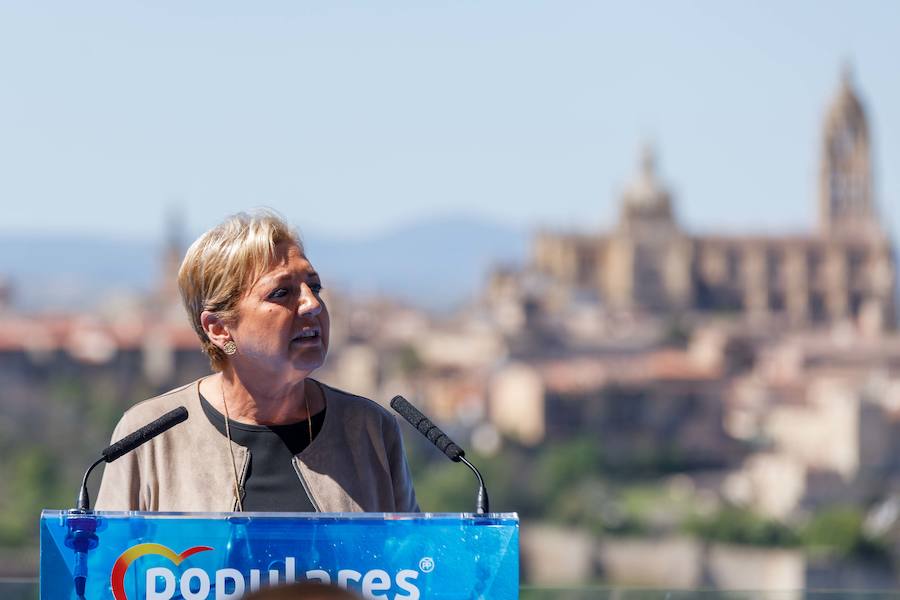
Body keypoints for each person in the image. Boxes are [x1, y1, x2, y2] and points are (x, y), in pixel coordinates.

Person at [96, 210, 418, 512]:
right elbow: (106, 566)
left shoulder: (369, 430)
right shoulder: (148, 436)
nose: (312, 304)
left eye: (314, 286)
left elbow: (412, 561)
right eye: (281, 293)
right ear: (219, 328)